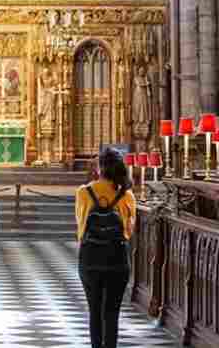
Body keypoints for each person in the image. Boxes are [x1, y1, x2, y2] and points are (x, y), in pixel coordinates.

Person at [75, 148, 137, 348]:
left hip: (90, 257)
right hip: (117, 258)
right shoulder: (127, 195)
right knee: (112, 313)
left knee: (94, 311)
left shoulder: (84, 192)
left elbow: (81, 225)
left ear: (100, 167)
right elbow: (129, 230)